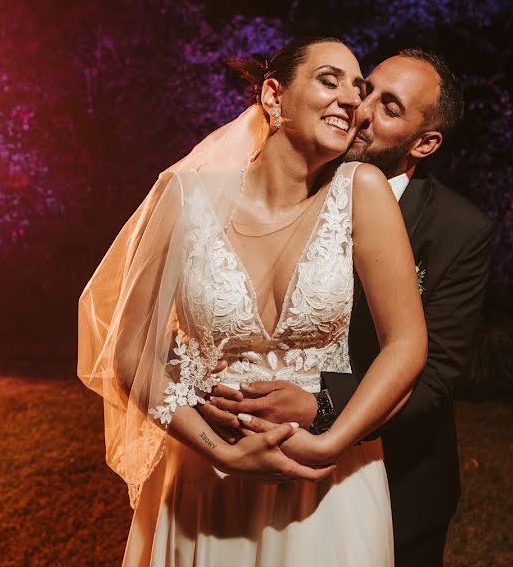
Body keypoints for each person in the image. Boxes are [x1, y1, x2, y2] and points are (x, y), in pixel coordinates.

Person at [78, 37, 428, 566]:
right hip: (206, 476)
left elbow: (406, 344)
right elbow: (131, 353)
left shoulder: (364, 191)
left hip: (327, 487)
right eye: (328, 81)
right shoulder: (183, 196)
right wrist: (225, 454)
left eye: (356, 90)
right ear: (273, 96)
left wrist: (331, 442)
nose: (351, 101)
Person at [201, 49, 495, 567]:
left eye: (390, 107)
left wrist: (321, 406)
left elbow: (436, 372)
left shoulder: (457, 230)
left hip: (396, 474)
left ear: (424, 143)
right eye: (367, 90)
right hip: (252, 459)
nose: (361, 109)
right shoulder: (296, 177)